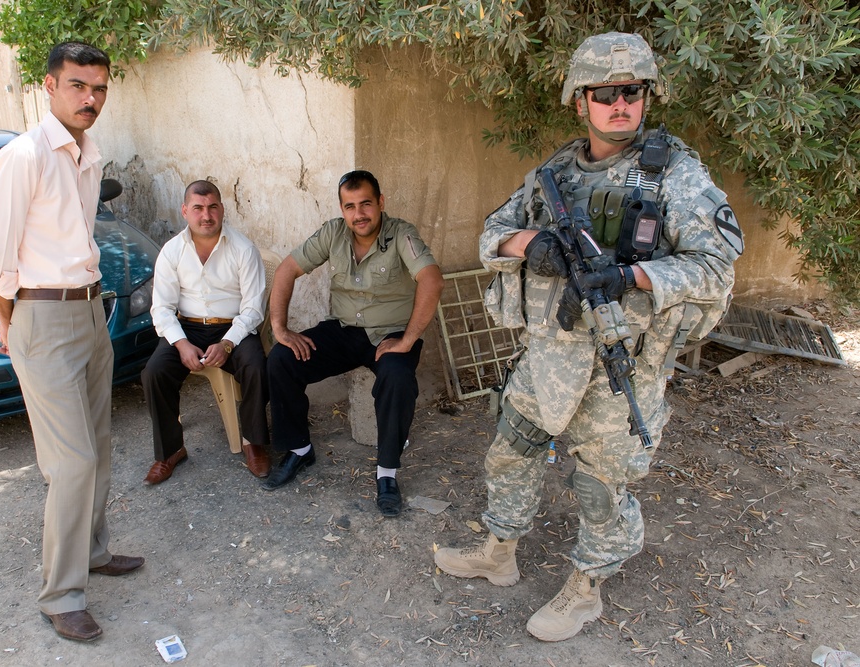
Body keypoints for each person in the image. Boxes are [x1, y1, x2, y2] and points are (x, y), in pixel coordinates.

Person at [434, 32, 742, 641]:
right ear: (582, 101)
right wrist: (534, 244)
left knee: (601, 484)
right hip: (548, 355)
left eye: (631, 91)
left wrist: (631, 273)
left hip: (618, 359)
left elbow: (715, 268)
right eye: (604, 93)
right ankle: (500, 550)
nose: (618, 104)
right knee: (510, 451)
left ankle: (587, 588)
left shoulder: (675, 176)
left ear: (647, 96)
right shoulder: (554, 172)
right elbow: (492, 232)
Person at [0, 42, 144, 643]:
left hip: (91, 311)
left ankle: (93, 552)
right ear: (49, 86)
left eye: (98, 87)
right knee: (70, 462)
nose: (90, 98)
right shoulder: (25, 156)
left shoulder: (89, 155)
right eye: (78, 86)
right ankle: (60, 594)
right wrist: (11, 320)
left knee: (98, 443)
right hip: (42, 317)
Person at [263, 170, 444, 517]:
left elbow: (431, 281)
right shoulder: (333, 233)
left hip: (390, 335)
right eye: (350, 206)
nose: (359, 214)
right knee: (281, 358)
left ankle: (387, 473)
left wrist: (408, 340)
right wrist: (279, 328)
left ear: (380, 202)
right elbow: (286, 269)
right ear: (342, 209)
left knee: (397, 379)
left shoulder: (401, 234)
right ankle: (299, 449)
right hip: (344, 330)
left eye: (365, 204)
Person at [141, 180, 270, 483]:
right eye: (198, 208)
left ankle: (254, 443)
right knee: (154, 373)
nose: (206, 215)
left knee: (256, 367)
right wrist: (181, 343)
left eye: (212, 207)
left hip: (233, 327)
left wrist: (227, 343)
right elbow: (161, 308)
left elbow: (253, 309)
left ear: (222, 209)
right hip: (187, 328)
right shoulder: (172, 251)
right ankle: (170, 451)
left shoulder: (243, 249)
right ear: (185, 211)